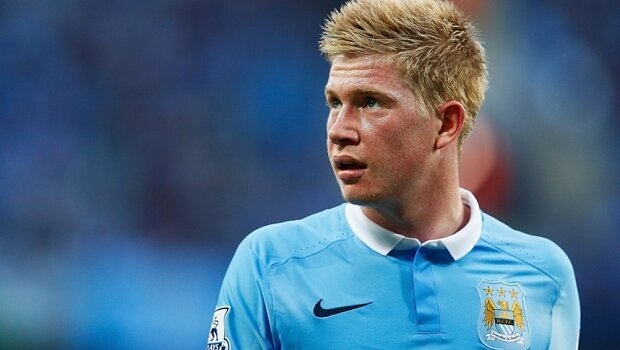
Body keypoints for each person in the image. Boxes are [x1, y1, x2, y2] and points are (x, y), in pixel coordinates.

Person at [207, 0, 580, 349]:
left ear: (447, 124)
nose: (339, 129)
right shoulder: (270, 266)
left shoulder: (544, 276)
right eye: (334, 103)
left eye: (370, 103)